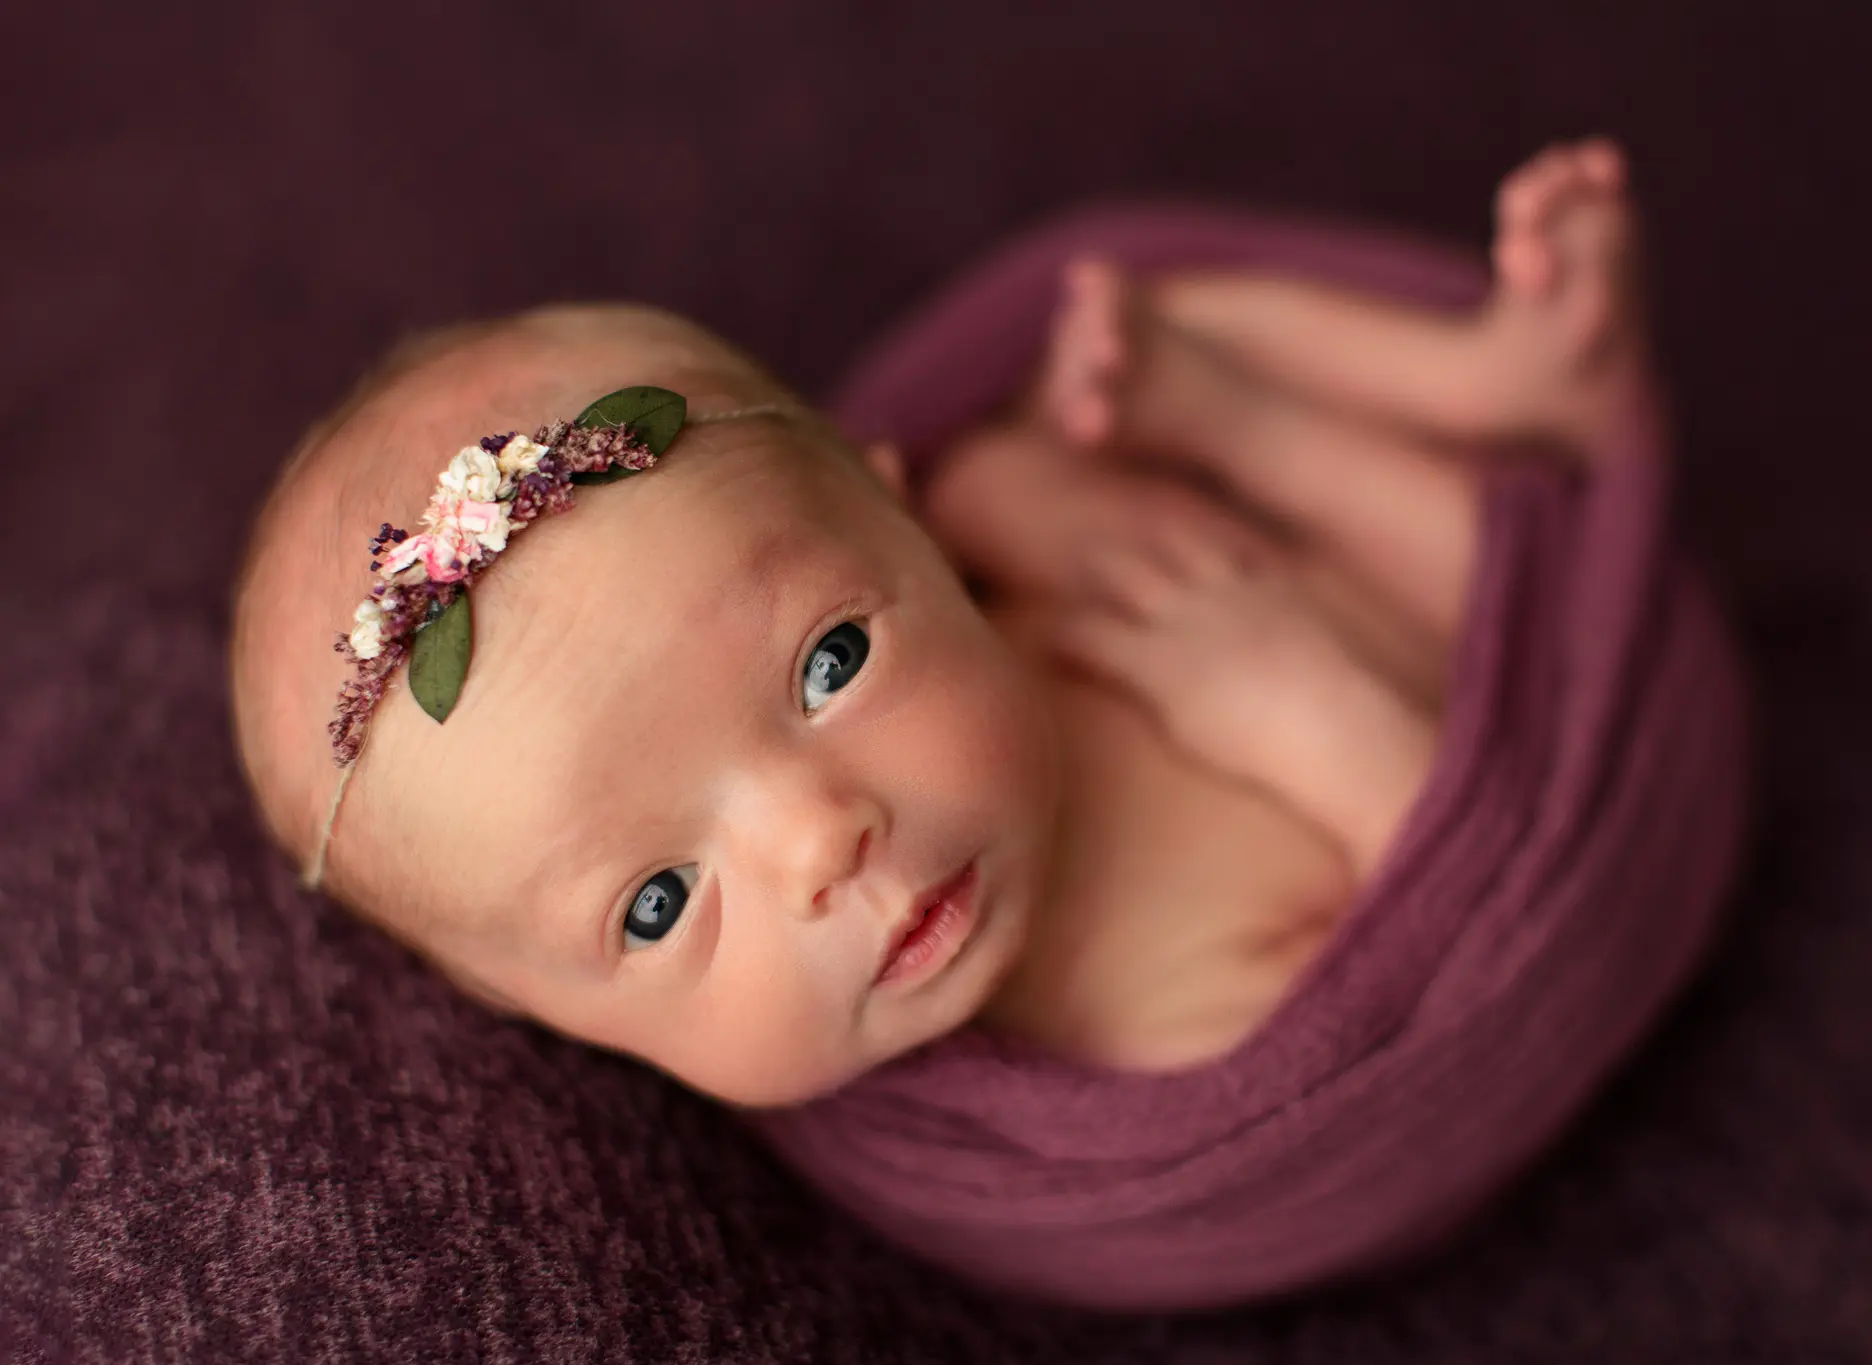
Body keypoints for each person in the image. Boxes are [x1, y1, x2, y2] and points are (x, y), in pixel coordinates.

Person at [230, 138, 1653, 1105]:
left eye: (829, 663)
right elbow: (1478, 943)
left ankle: (1494, 381)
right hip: (1448, 692)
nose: (821, 842)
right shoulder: (1175, 1044)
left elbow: (976, 477)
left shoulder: (955, 543)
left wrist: (1051, 506)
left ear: (890, 506)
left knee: (1104, 348)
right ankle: (1339, 430)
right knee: (1424, 551)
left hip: (1270, 547)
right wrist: (1304, 710)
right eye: (657, 904)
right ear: (544, 1013)